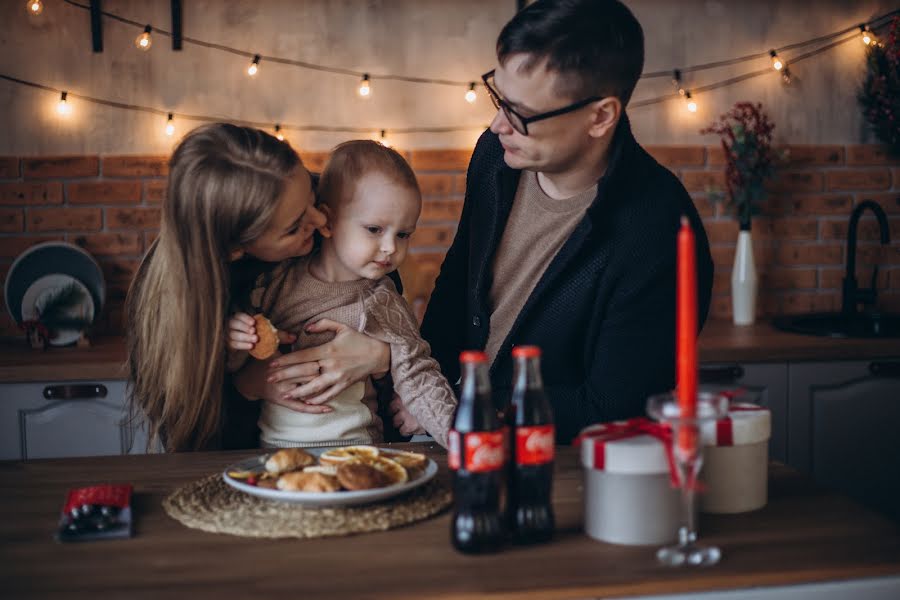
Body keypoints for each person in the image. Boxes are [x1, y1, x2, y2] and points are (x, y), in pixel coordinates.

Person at [420, 0, 714, 444]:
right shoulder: (494, 159)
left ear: (600, 116)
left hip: (562, 468)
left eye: (521, 112)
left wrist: (469, 408)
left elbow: (613, 405)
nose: (498, 124)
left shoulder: (658, 230)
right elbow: (457, 283)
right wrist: (419, 388)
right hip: (450, 430)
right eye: (499, 97)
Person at [126, 123, 392, 452]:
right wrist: (249, 384)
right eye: (295, 227)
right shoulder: (168, 309)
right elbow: (198, 448)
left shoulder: (321, 203)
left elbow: (387, 293)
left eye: (312, 198)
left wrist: (382, 357)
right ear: (235, 249)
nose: (321, 221)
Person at [226, 140, 456, 448]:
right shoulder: (273, 283)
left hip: (357, 451)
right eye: (374, 229)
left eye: (403, 234)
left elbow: (418, 374)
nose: (390, 247)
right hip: (275, 454)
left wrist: (463, 441)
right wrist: (238, 340)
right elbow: (233, 367)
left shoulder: (382, 299)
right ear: (328, 220)